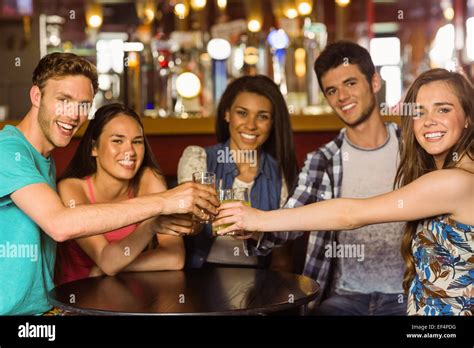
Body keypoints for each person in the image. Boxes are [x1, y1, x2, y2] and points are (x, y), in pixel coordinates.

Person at [215, 68, 474, 316]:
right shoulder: (443, 175)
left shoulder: (455, 182)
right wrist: (258, 227)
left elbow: (350, 214)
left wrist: (258, 218)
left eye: (443, 109)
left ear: (468, 118)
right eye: (418, 112)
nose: (429, 121)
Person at [0, 53, 218, 315]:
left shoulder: (43, 158)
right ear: (36, 96)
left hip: (46, 311)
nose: (73, 115)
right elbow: (59, 224)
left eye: (83, 105)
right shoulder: (8, 152)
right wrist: (163, 202)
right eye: (63, 100)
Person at [235, 41, 407, 315]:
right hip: (344, 298)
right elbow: (291, 219)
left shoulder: (413, 148)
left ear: (374, 82)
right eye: (332, 90)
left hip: (407, 294)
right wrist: (250, 226)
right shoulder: (322, 160)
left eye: (350, 83)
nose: (342, 96)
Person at [56, 103, 188, 284]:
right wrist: (150, 226)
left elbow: (175, 258)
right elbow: (108, 261)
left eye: (137, 141)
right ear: (94, 148)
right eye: (117, 140)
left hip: (128, 296)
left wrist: (118, 267)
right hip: (77, 300)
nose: (130, 152)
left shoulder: (148, 179)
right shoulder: (71, 189)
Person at [177, 75, 298, 269]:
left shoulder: (280, 173)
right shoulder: (198, 158)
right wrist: (199, 218)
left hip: (259, 278)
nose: (251, 125)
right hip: (202, 274)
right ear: (227, 114)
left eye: (262, 116)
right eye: (242, 113)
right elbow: (188, 226)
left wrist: (257, 230)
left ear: (273, 123)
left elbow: (281, 255)